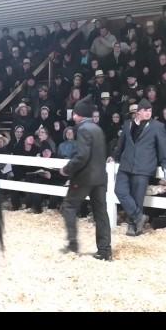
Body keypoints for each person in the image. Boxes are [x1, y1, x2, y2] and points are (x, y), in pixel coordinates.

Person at [58, 95, 111, 261]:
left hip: (84, 178)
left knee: (68, 206)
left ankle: (73, 243)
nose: (73, 116)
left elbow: (82, 156)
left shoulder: (82, 129)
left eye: (74, 113)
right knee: (101, 213)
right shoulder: (98, 129)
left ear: (80, 114)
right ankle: (104, 250)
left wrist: (67, 169)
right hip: (100, 178)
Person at [113, 98, 166, 237]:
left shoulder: (157, 126)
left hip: (144, 166)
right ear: (138, 112)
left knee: (137, 197)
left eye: (150, 110)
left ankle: (134, 226)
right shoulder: (128, 124)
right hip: (126, 164)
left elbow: (163, 146)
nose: (148, 112)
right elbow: (121, 144)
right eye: (145, 110)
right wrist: (114, 156)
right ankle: (139, 216)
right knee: (119, 190)